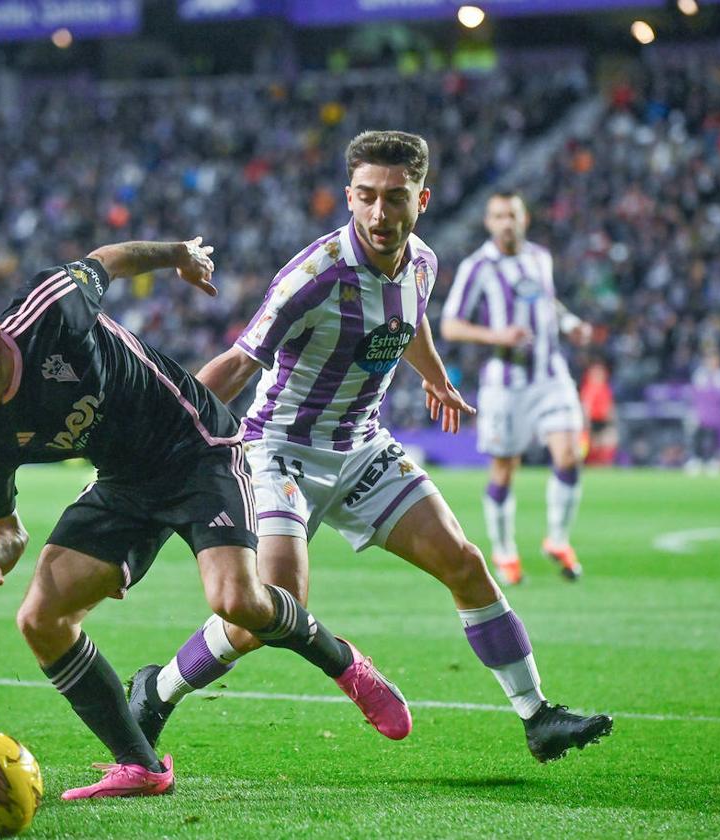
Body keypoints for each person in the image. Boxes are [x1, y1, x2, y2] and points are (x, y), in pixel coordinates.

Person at [129, 132, 612, 764]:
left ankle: (537, 716)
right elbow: (239, 363)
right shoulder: (313, 276)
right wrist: (166, 439)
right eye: (366, 198)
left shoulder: (423, 264)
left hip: (360, 447)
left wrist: (434, 373)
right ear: (349, 196)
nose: (379, 214)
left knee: (464, 562)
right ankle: (156, 691)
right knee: (271, 612)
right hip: (278, 450)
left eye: (394, 198)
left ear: (423, 199)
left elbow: (407, 321)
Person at [0, 237, 410, 801]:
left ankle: (347, 664)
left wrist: (178, 255)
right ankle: (141, 766)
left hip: (194, 446)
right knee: (39, 619)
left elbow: (110, 259)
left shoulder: (50, 309)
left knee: (237, 602)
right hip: (124, 482)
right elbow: (4, 531)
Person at [440, 192, 593, 585]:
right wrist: (498, 335)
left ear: (524, 218)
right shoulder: (478, 266)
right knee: (505, 469)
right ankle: (505, 551)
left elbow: (547, 302)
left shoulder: (540, 257)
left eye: (512, 214)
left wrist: (569, 322)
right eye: (498, 216)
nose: (506, 222)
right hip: (506, 386)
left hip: (550, 375)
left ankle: (558, 539)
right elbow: (450, 325)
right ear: (489, 223)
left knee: (570, 454)